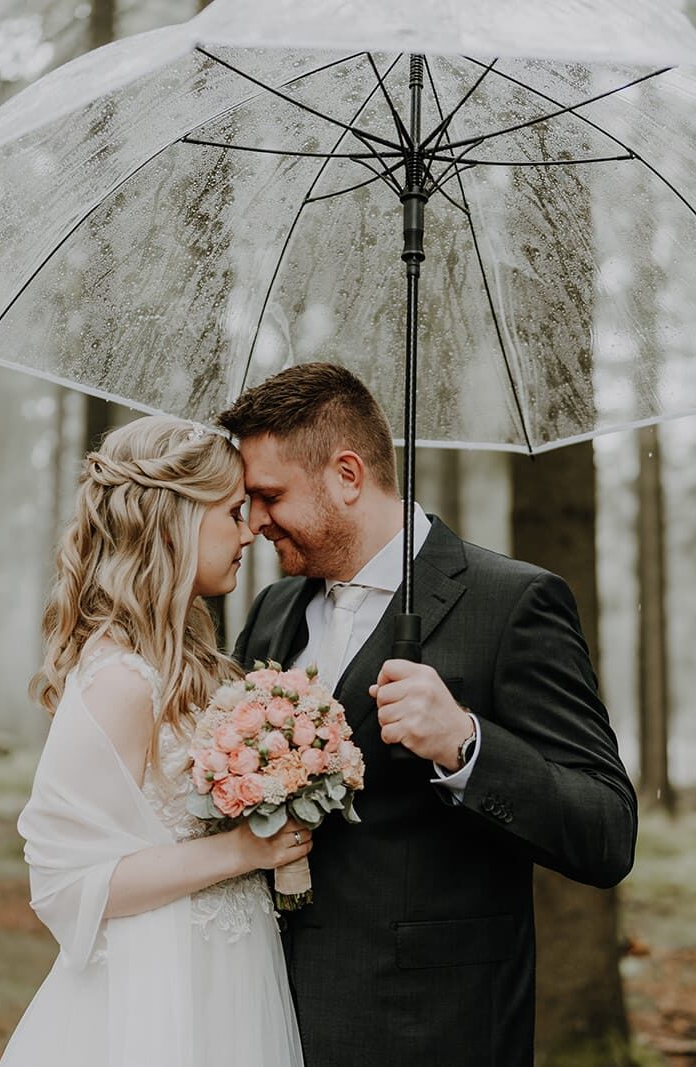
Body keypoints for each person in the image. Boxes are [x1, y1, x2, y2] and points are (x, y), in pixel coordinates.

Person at [219, 363, 638, 1067]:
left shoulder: (513, 604)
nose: (255, 521)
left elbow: (606, 828)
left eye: (269, 495)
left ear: (347, 475)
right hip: (266, 1015)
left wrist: (467, 745)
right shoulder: (272, 613)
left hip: (432, 1030)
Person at [0, 415, 306, 1067]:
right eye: (233, 510)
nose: (251, 529)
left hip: (231, 971)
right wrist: (242, 849)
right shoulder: (120, 681)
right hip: (158, 989)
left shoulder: (188, 666)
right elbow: (63, 880)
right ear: (178, 520)